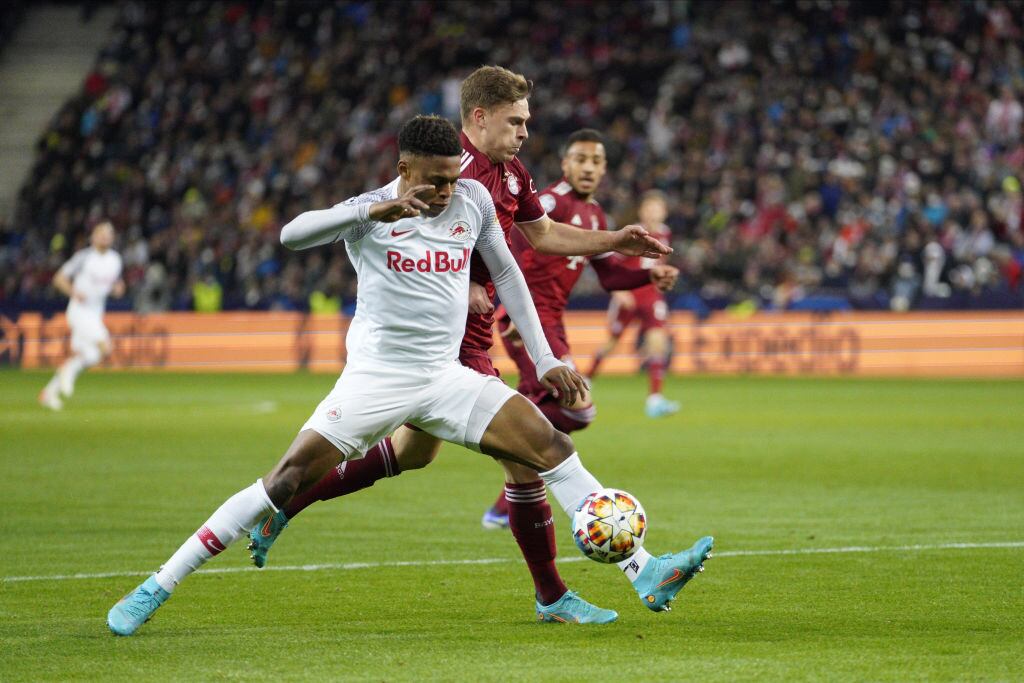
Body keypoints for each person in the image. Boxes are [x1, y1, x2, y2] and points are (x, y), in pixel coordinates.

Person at [106, 116, 713, 635]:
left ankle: (643, 568)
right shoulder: (368, 211)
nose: (448, 189)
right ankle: (158, 584)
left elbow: (508, 274)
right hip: (377, 379)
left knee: (550, 445)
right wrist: (374, 209)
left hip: (446, 377)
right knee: (285, 478)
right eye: (435, 179)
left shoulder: (472, 200)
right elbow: (291, 235)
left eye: (453, 176)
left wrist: (547, 358)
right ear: (404, 168)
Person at [248, 66, 685, 621]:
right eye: (515, 121)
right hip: (443, 343)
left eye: (526, 121)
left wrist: (615, 240)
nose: (525, 132)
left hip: (473, 336)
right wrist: (465, 286)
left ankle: (284, 505)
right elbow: (404, 240)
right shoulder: (450, 171)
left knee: (414, 453)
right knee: (530, 455)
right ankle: (619, 575)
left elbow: (543, 236)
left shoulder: (510, 173)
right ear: (479, 117)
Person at [493, 128, 679, 441]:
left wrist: (649, 276)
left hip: (552, 321)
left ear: (604, 169)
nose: (588, 168)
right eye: (580, 159)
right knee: (579, 409)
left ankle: (514, 444)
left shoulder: (595, 216)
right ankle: (492, 424)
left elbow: (610, 276)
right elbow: (512, 241)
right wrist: (514, 310)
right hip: (529, 320)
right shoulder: (550, 202)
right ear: (565, 164)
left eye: (595, 161)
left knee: (550, 429)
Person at [588, 191, 680, 417]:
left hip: (651, 296)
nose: (653, 213)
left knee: (658, 343)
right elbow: (610, 262)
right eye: (649, 208)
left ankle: (654, 400)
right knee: (612, 342)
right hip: (629, 295)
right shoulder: (633, 234)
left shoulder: (665, 233)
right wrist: (618, 291)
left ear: (664, 212)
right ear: (641, 211)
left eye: (657, 208)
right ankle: (586, 380)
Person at [39, 221, 124, 410]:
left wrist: (118, 289)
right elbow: (59, 278)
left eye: (109, 233)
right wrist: (73, 292)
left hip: (96, 312)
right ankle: (68, 373)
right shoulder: (84, 257)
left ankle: (49, 393)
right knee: (105, 346)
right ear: (93, 236)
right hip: (79, 311)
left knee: (91, 355)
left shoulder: (116, 260)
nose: (105, 237)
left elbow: (116, 285)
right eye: (101, 233)